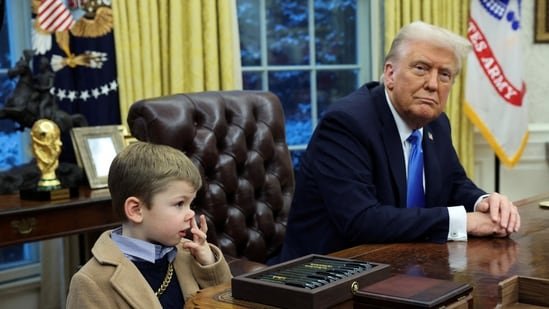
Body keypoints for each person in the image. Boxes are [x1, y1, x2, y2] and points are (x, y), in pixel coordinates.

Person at [273, 21, 520, 264]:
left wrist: (484, 202)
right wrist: (463, 221)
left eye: (444, 75)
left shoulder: (437, 123)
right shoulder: (346, 124)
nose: (433, 84)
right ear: (390, 74)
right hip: (327, 273)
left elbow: (453, 183)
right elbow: (362, 220)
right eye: (421, 68)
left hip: (405, 265)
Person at [66, 142, 231, 308]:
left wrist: (208, 264)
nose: (190, 214)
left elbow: (231, 302)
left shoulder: (189, 255)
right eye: (180, 204)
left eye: (191, 204)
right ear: (136, 210)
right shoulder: (90, 282)